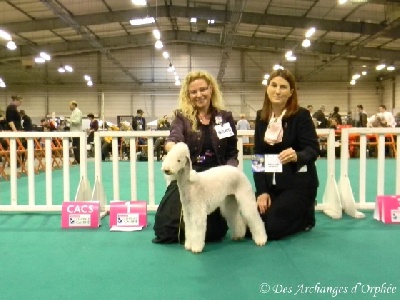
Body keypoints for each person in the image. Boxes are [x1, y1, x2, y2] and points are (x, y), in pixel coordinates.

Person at [153, 70, 238, 244]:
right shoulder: (181, 117)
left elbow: (232, 153)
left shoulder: (225, 117)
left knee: (213, 233)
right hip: (190, 176)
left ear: (211, 90)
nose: (199, 95)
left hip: (216, 178)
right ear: (188, 95)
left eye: (203, 89)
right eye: (193, 92)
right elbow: (173, 138)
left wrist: (229, 175)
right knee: (167, 230)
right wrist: (173, 148)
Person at [252, 68, 320, 240]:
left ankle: (306, 216)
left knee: (272, 229)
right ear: (267, 88)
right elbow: (258, 155)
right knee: (249, 224)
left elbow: (313, 149)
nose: (277, 90)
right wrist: (262, 192)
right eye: (273, 85)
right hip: (272, 186)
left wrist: (298, 155)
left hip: (299, 184)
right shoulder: (261, 117)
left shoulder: (302, 116)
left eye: (283, 87)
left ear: (291, 92)